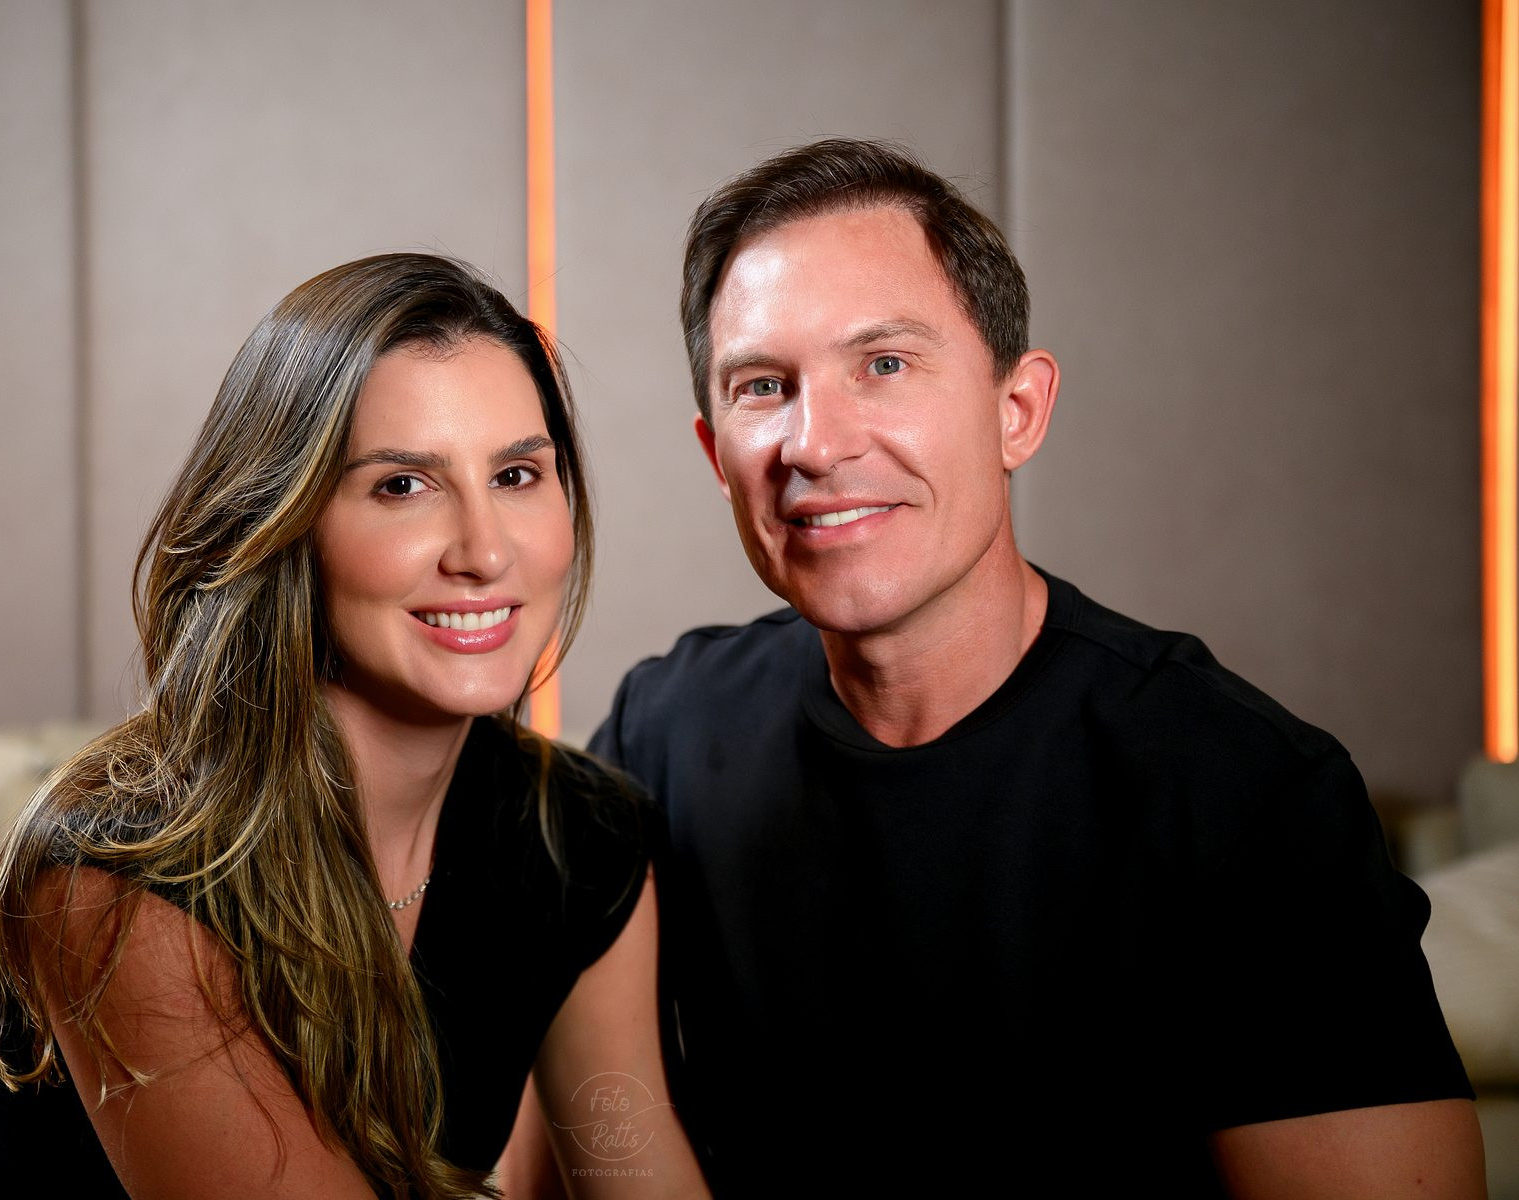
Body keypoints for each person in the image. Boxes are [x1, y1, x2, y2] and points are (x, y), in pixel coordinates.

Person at [588, 140, 1486, 1196]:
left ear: (1017, 411)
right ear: (717, 457)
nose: (815, 444)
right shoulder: (663, 731)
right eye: (763, 386)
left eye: (884, 364)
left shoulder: (1245, 793)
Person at [0, 254, 706, 1199]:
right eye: (402, 486)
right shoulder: (123, 873)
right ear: (284, 520)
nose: (486, 551)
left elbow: (636, 1177)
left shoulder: (582, 832)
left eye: (517, 474)